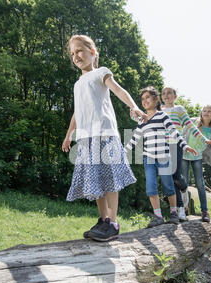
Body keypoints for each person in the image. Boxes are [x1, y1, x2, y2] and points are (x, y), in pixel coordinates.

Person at [62, 34, 147, 242]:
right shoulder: (78, 83)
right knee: (95, 181)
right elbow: (77, 112)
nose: (76, 56)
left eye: (79, 51)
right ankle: (102, 220)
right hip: (86, 138)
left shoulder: (101, 73)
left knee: (109, 180)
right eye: (72, 53)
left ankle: (113, 221)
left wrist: (133, 106)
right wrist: (68, 135)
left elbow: (118, 90)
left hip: (105, 134)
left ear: (92, 52)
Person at [125, 86, 209, 227]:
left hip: (163, 156)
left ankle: (173, 213)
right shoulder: (142, 120)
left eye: (148, 97)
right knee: (151, 187)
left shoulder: (162, 116)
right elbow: (134, 138)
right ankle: (158, 216)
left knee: (168, 186)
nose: (144, 101)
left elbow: (174, 132)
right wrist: (123, 151)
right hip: (148, 158)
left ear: (155, 99)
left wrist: (185, 145)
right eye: (142, 99)